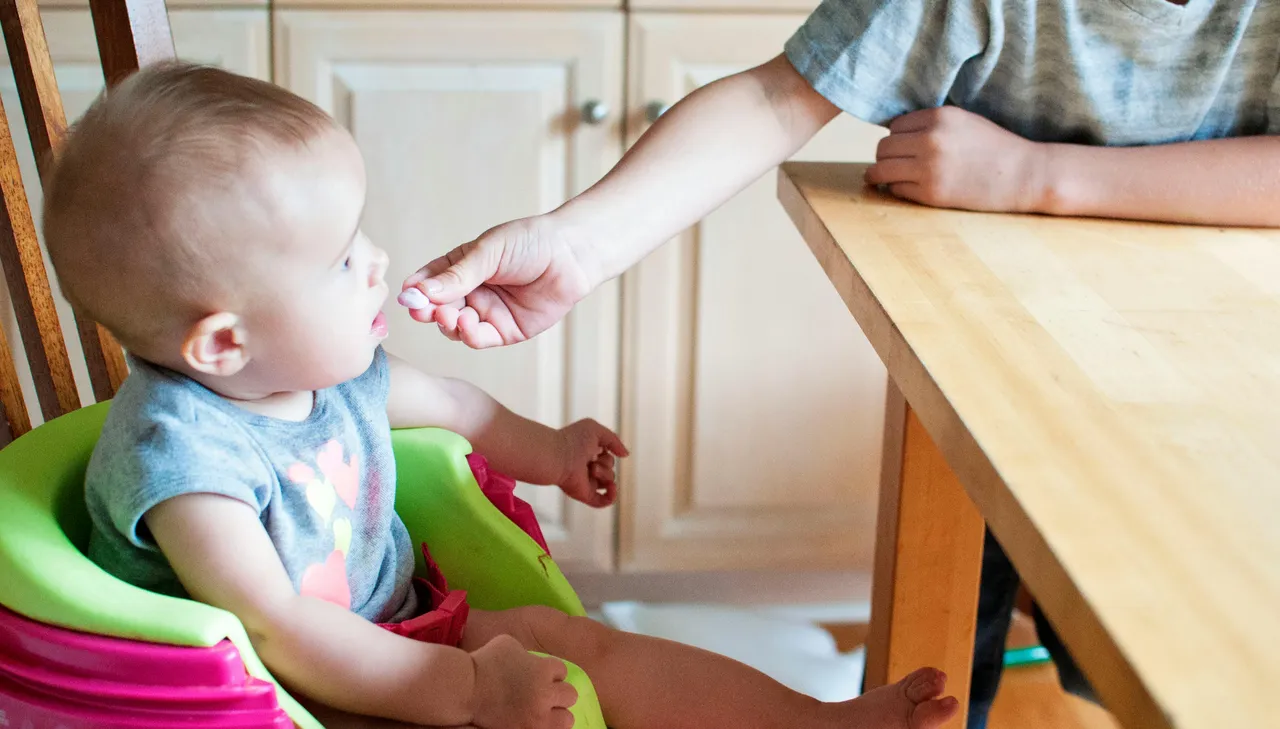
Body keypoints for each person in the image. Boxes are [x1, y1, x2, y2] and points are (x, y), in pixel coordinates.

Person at [394, 1, 1280, 725]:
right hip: (983, 370)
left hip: (1201, 393)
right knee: (949, 651)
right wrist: (578, 245)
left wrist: (1035, 175)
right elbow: (781, 98)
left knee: (1141, 656)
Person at [44, 61, 960, 729]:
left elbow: (456, 405)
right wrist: (468, 690)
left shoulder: (320, 370)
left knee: (578, 643)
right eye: (339, 262)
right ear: (223, 342)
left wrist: (553, 450)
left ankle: (814, 721)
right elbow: (275, 630)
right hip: (275, 696)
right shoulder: (188, 464)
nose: (378, 264)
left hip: (397, 628)